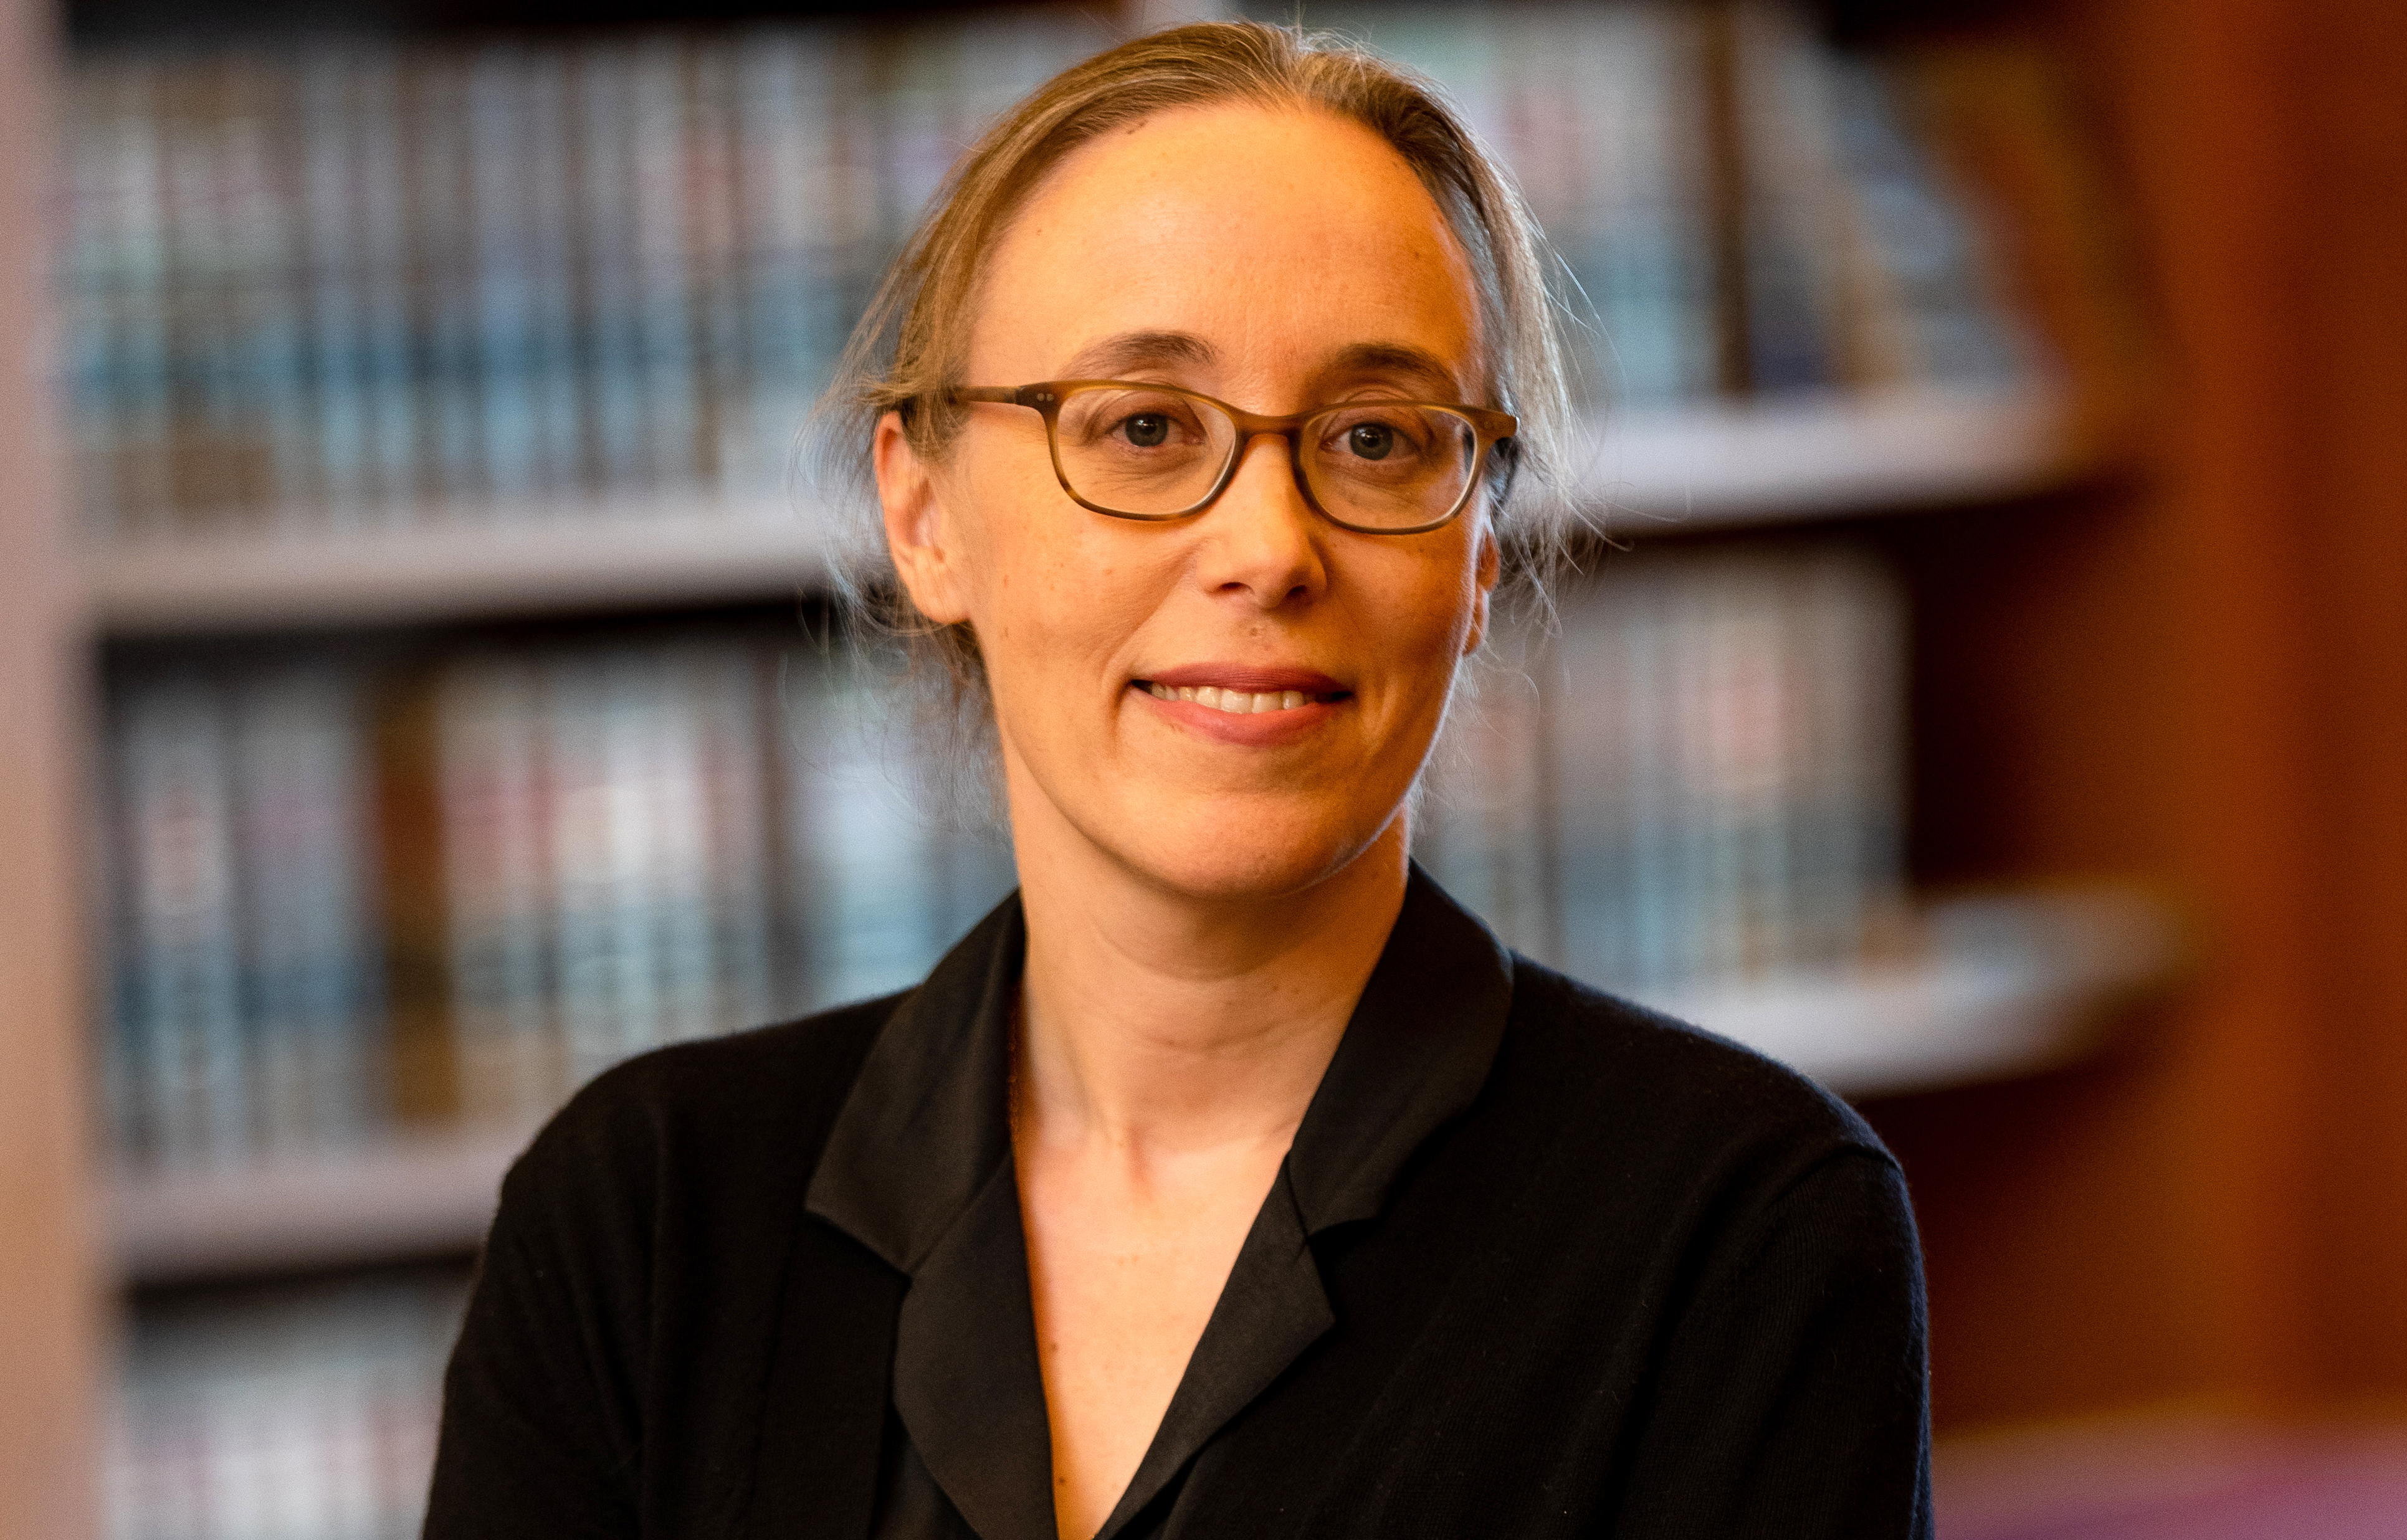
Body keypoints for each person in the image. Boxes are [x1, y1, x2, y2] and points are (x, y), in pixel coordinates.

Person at [422, 21, 1930, 1540]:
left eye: (1375, 439)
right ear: (923, 511)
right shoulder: (642, 1226)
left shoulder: (1743, 1232)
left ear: (1478, 557)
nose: (1269, 549)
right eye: (1143, 428)